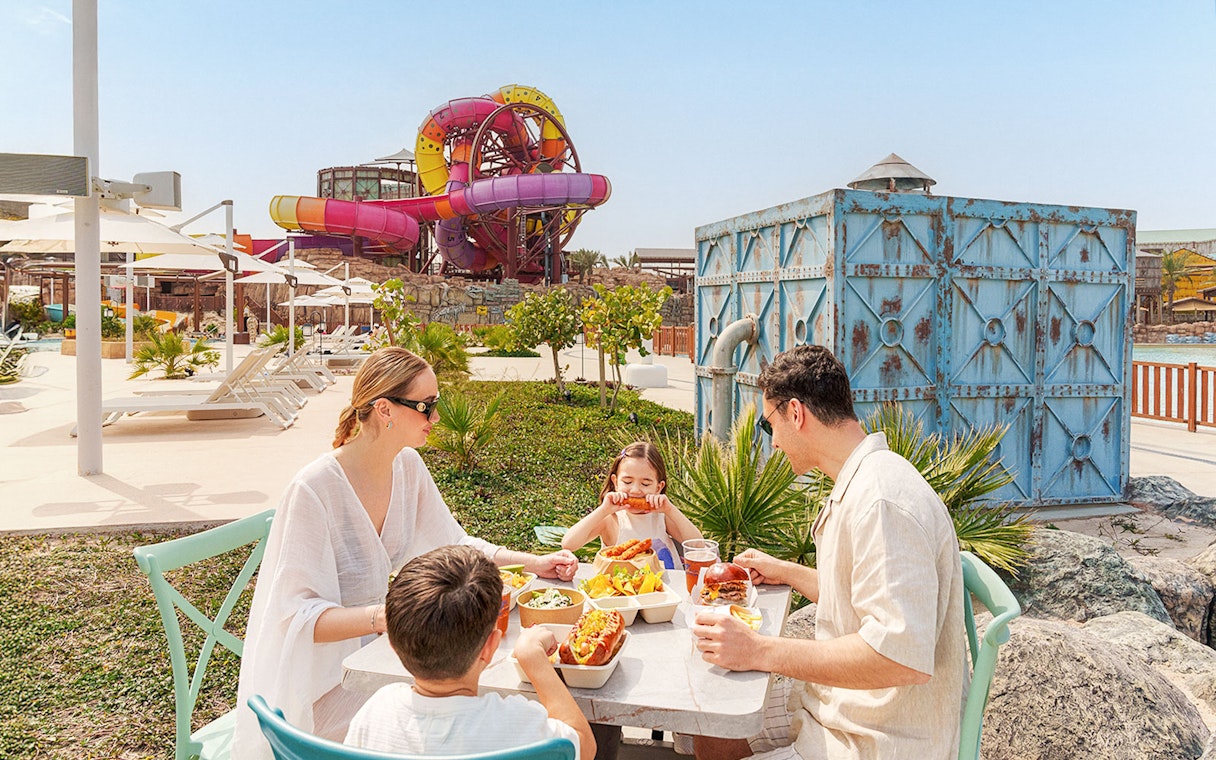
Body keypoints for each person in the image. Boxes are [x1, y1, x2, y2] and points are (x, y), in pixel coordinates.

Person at [234, 347, 579, 757]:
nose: (435, 418)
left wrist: (533, 562)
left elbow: (455, 543)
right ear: (385, 409)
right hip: (324, 685)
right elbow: (294, 618)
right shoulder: (314, 489)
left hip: (394, 661)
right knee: (495, 717)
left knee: (476, 710)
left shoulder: (408, 466)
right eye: (426, 406)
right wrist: (390, 619)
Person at [692, 345, 966, 760]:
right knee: (709, 719)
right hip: (844, 708)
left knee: (716, 707)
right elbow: (863, 597)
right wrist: (786, 571)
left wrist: (760, 651)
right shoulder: (867, 477)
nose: (775, 444)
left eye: (771, 427)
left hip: (875, 738)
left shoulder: (881, 501)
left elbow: (898, 657)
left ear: (796, 414)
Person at [344, 545, 595, 760]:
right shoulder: (515, 722)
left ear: (393, 646)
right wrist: (533, 658)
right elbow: (583, 745)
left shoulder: (375, 710)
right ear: (490, 646)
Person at [561, 441, 702, 569]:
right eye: (627, 482)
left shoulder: (661, 516)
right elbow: (569, 543)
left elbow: (698, 546)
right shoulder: (611, 518)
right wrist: (603, 510)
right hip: (625, 592)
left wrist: (670, 510)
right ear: (615, 482)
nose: (635, 490)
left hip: (667, 590)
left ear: (658, 488)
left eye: (645, 484)